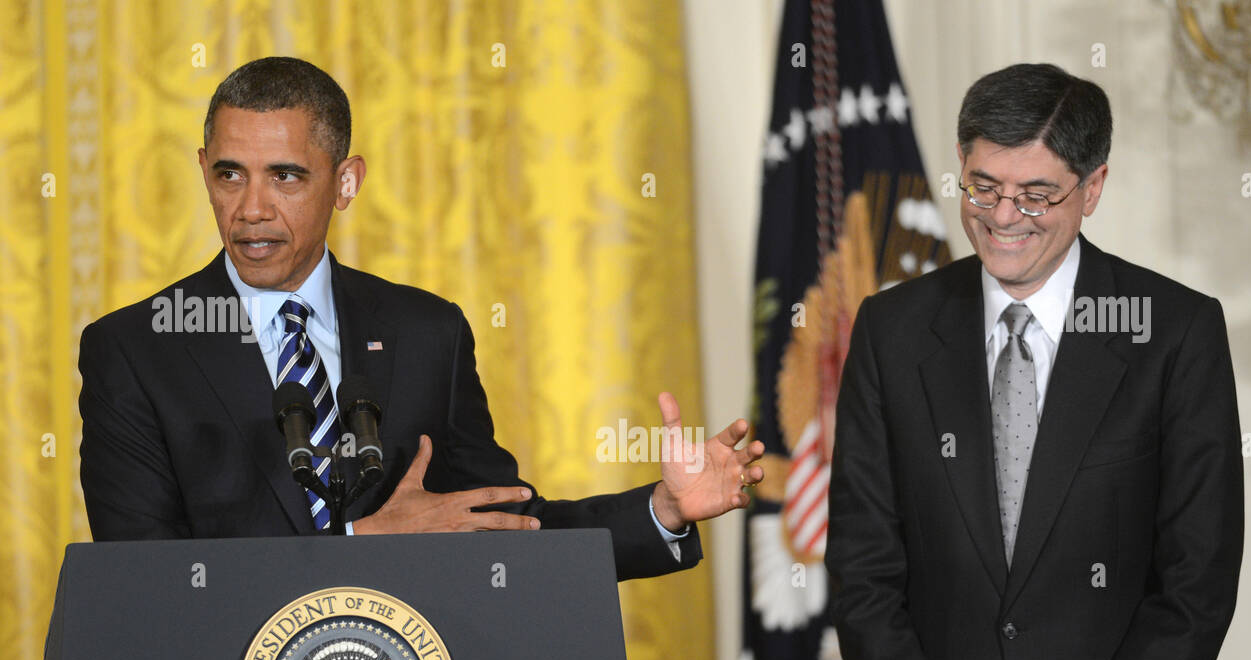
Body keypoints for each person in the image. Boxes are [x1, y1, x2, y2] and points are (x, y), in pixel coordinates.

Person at [79, 57, 763, 581]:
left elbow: (500, 524)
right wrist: (357, 546)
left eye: (285, 176)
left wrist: (661, 511)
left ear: (346, 182)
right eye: (230, 175)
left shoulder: (425, 332)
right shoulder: (135, 350)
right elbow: (148, 581)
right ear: (204, 170)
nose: (252, 207)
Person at [826, 62, 1243, 660]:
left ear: (1094, 187)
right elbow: (865, 578)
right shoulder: (891, 331)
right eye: (982, 188)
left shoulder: (1177, 333)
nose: (1003, 219)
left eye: (1036, 195)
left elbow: (1194, 589)